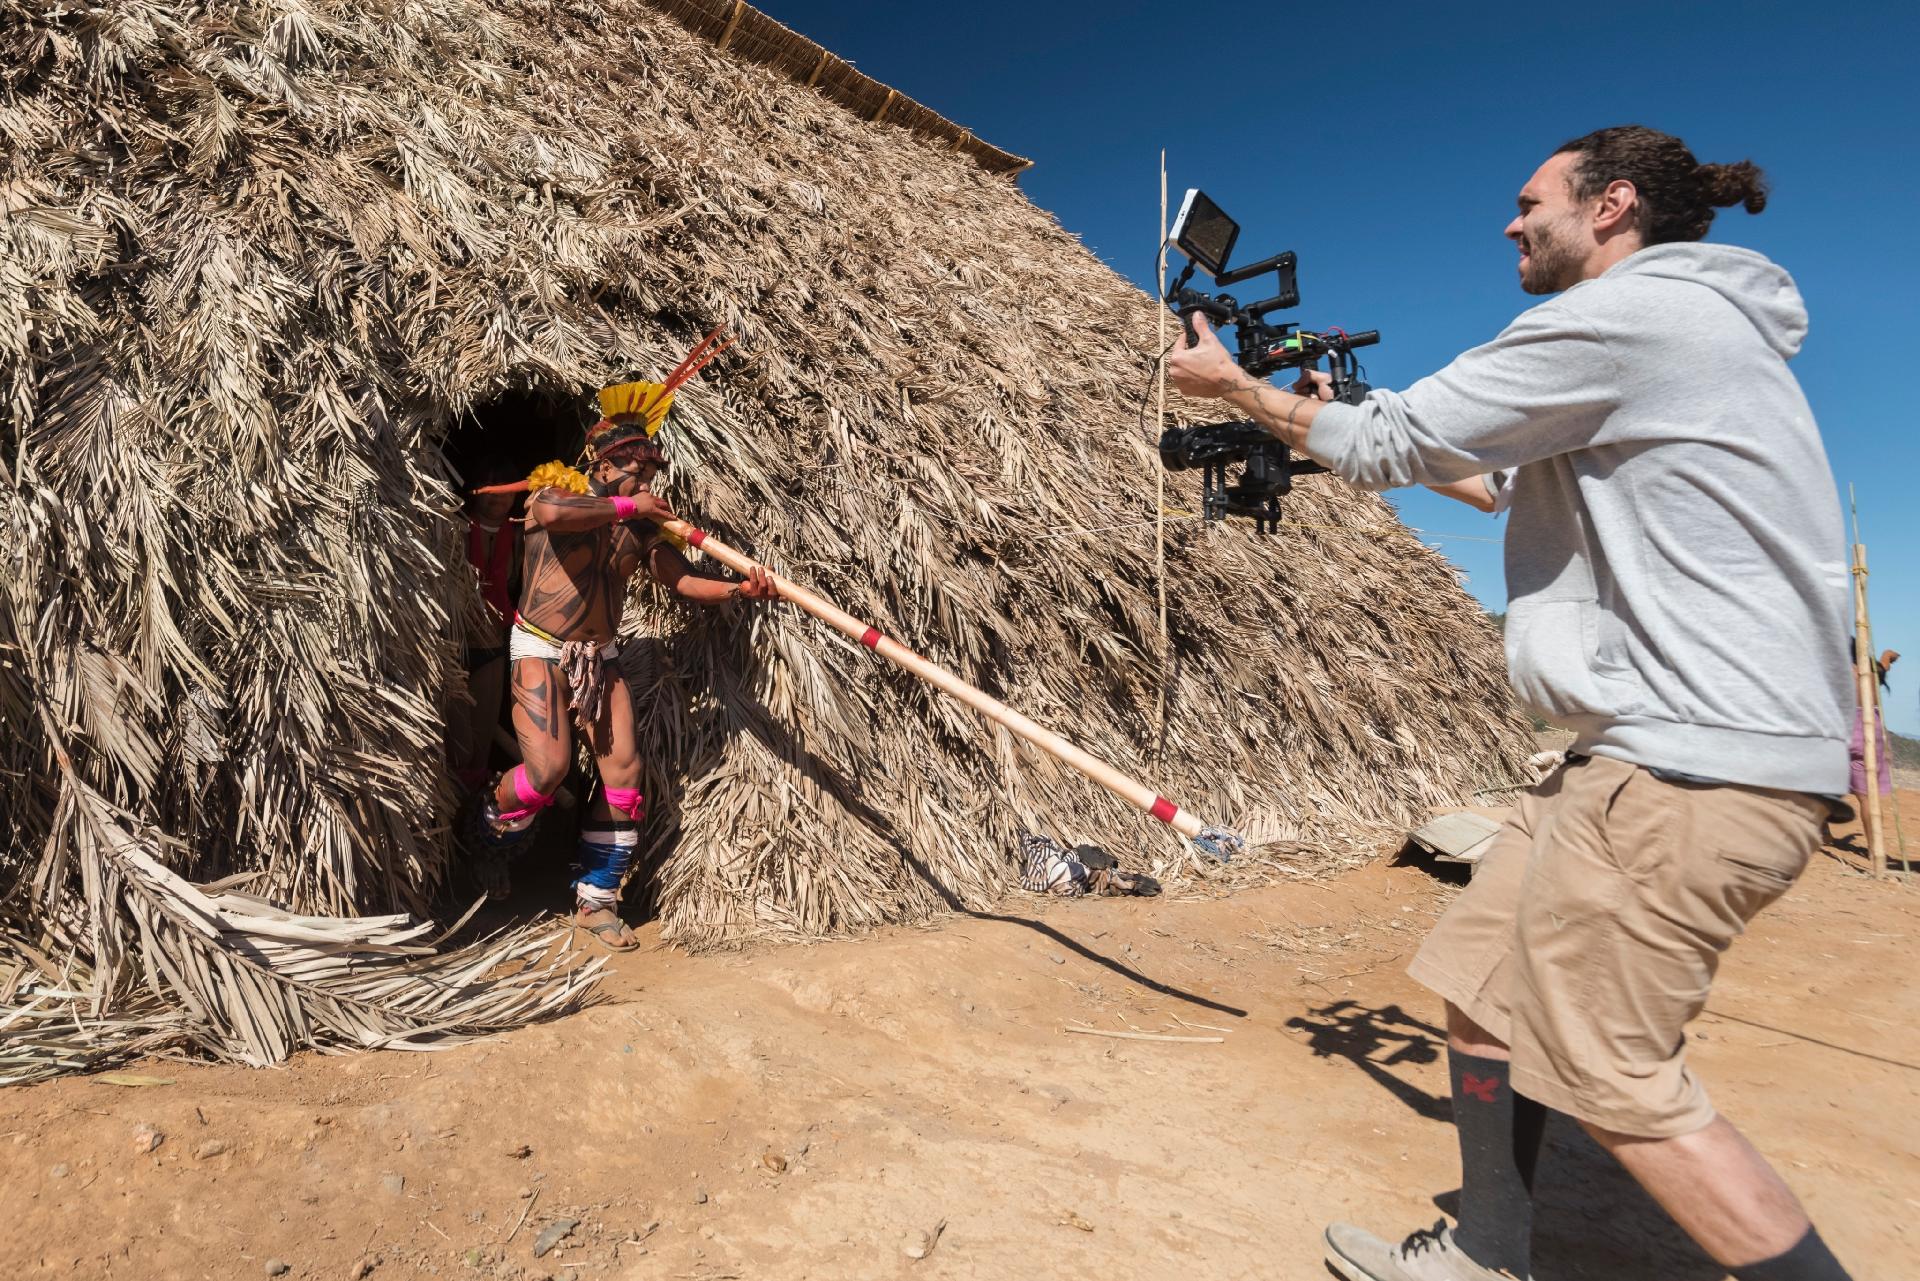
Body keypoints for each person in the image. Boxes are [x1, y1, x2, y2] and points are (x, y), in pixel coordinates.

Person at [1168, 126, 1853, 1281]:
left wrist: (1240, 391)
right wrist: (1340, 416)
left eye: (1530, 200)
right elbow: (1489, 480)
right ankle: (1487, 1252)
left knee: (1617, 1082)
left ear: (1614, 205)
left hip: (1688, 768)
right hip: (1622, 757)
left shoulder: (1626, 317)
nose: (1509, 220)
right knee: (1482, 979)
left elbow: (1395, 443)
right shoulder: (1680, 332)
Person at [464, 376, 778, 950]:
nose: (645, 480)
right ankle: (486, 838)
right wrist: (628, 504)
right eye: (634, 470)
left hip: (601, 655)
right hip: (540, 648)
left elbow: (680, 580)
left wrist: (738, 590)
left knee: (624, 776)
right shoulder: (553, 495)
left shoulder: (640, 526)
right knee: (543, 775)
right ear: (602, 465)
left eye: (651, 473)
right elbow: (556, 516)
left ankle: (595, 899)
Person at [450, 457, 522, 794]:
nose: (499, 499)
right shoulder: (452, 528)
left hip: (493, 644)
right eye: (491, 492)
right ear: (475, 492)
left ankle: (472, 810)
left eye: (507, 493)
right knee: (454, 736)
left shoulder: (520, 533)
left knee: (481, 734)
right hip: (453, 644)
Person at [1847, 643, 1898, 850]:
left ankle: (1824, 829)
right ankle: (1874, 848)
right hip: (1871, 732)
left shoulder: (1838, 670)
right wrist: (1888, 656)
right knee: (1867, 797)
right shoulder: (1873, 669)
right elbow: (1890, 655)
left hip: (1845, 729)